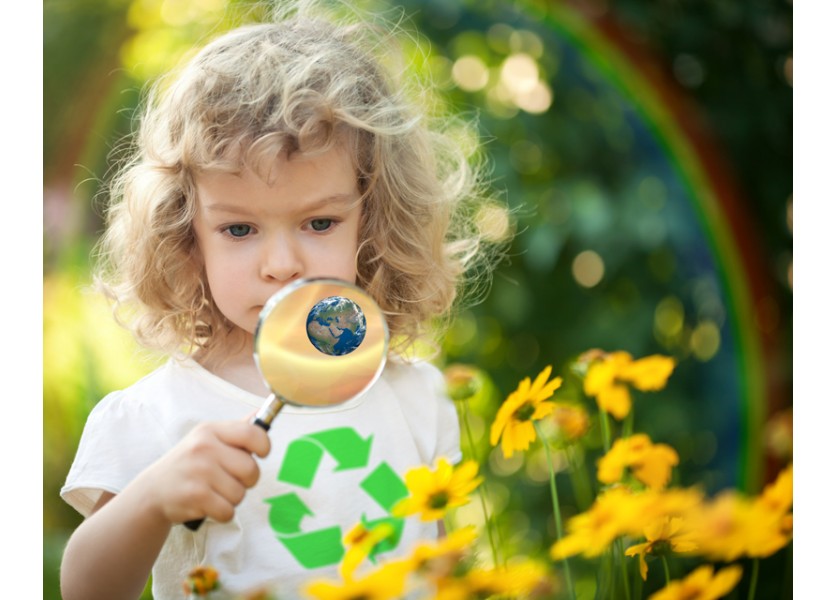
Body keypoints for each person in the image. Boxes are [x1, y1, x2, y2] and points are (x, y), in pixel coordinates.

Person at [59, 1, 503, 598]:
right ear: (185, 237)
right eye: (239, 230)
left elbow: (444, 566)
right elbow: (87, 589)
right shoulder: (154, 419)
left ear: (371, 224)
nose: (282, 265)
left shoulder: (416, 397)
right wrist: (153, 498)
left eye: (319, 224)